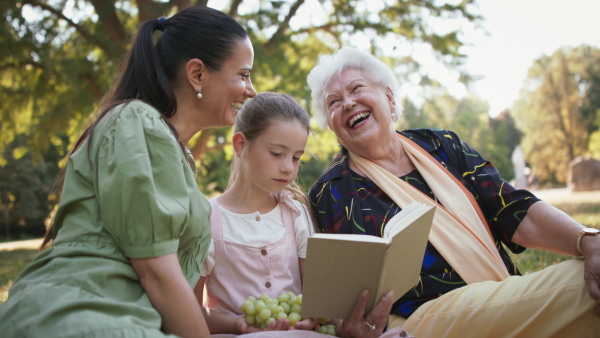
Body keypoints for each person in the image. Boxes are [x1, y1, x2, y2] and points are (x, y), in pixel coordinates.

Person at [306, 47, 600, 337]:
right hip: (418, 321)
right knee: (578, 288)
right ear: (332, 126)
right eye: (333, 102)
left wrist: (586, 240)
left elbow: (514, 211)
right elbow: (344, 293)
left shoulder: (441, 144)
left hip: (501, 297)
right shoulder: (331, 192)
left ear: (389, 97)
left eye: (357, 88)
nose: (347, 103)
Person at [0, 7, 256, 338]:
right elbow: (156, 274)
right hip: (78, 317)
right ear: (197, 74)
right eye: (244, 74)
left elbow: (172, 294)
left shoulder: (173, 153)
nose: (251, 90)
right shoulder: (137, 123)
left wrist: (240, 325)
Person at [194, 92, 315, 333]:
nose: (288, 168)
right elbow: (190, 309)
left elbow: (315, 298)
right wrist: (239, 325)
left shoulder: (295, 213)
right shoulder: (206, 219)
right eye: (277, 154)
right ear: (241, 145)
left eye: (297, 157)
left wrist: (311, 318)